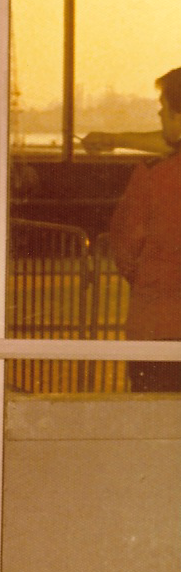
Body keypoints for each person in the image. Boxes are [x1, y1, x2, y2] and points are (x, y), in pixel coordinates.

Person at [108, 67, 181, 392]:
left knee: (154, 416)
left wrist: (150, 278)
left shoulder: (153, 176)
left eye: (164, 108)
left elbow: (126, 246)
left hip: (157, 325)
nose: (160, 115)